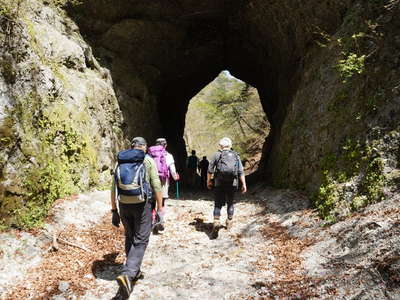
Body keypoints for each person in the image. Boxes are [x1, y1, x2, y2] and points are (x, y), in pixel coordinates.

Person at [110, 137, 163, 299]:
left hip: (123, 204)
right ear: (145, 147)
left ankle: (134, 271)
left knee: (130, 236)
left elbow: (113, 188)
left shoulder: (121, 161)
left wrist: (114, 210)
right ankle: (128, 274)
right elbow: (156, 184)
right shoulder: (147, 160)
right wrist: (160, 209)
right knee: (141, 239)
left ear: (131, 147)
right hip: (142, 205)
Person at [207, 137, 247, 232]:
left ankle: (216, 221)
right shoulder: (236, 155)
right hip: (232, 183)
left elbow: (210, 170)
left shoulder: (217, 155)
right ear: (230, 145)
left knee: (217, 204)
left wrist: (208, 181)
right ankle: (229, 221)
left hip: (219, 183)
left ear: (220, 146)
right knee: (230, 203)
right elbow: (241, 171)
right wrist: (244, 184)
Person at [149, 138, 179, 231]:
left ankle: (152, 219)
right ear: (165, 145)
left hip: (151, 179)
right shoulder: (168, 155)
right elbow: (173, 170)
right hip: (163, 180)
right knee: (161, 200)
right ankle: (160, 220)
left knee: (152, 200)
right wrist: (175, 177)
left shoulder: (149, 154)